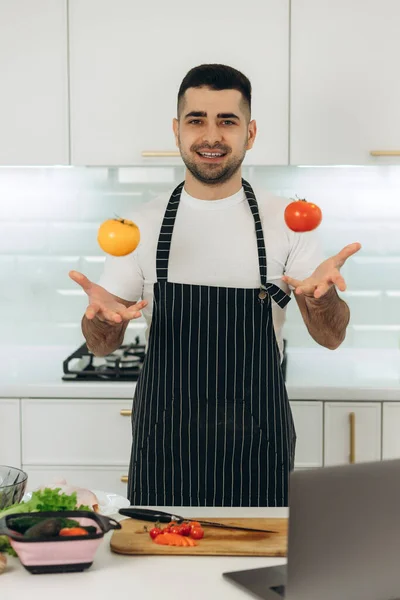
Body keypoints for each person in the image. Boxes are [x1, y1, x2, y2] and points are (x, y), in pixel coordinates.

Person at [70, 64, 361, 507]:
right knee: (160, 569)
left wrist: (323, 300)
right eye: (196, 120)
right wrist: (102, 321)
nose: (211, 135)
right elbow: (101, 346)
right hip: (165, 447)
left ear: (251, 132)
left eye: (227, 121)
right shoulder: (140, 226)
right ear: (176, 131)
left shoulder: (288, 222)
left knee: (258, 571)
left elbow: (331, 336)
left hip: (258, 449)